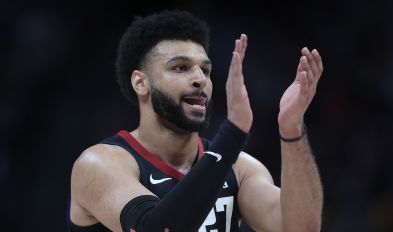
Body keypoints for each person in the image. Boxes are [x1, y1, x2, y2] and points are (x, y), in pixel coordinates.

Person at [68, 10, 323, 232]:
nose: (200, 79)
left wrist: (292, 128)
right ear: (141, 82)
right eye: (180, 67)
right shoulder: (99, 165)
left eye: (206, 70)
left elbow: (301, 229)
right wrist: (233, 133)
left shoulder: (240, 169)